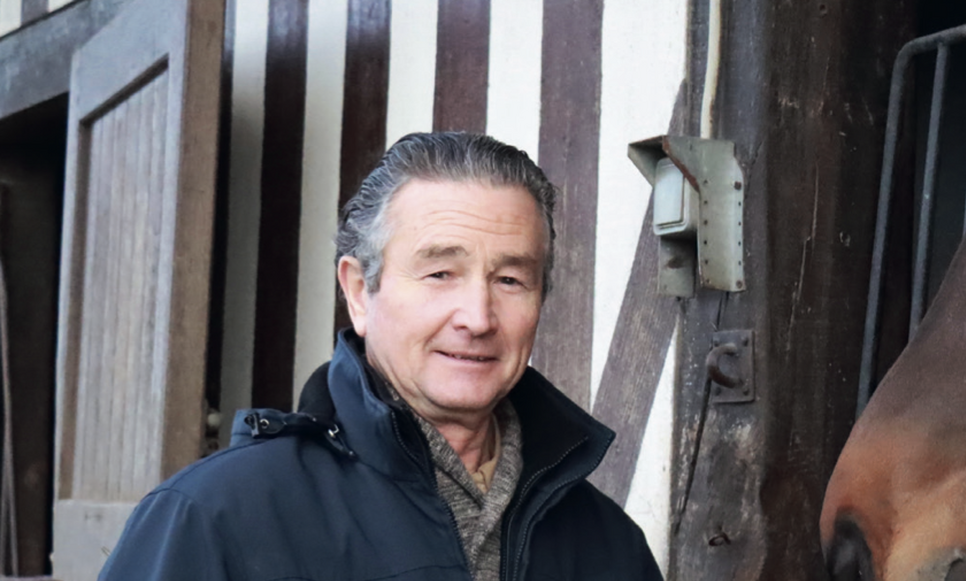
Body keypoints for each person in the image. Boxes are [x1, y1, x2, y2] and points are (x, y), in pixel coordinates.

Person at [99, 132, 663, 580]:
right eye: (440, 273)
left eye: (511, 279)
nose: (478, 317)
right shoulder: (214, 515)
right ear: (360, 292)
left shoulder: (609, 545)